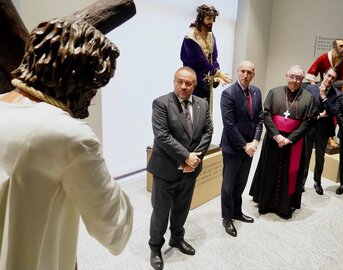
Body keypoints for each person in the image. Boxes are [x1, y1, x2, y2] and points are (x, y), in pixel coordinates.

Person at [0, 17, 133, 270]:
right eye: (94, 86)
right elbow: (115, 230)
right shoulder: (69, 136)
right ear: (79, 78)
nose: (93, 97)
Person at [147, 67, 213, 270]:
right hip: (167, 168)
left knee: (182, 208)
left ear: (195, 85)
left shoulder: (202, 104)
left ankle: (177, 238)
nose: (183, 86)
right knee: (160, 211)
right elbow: (162, 135)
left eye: (188, 83)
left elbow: (208, 132)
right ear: (174, 81)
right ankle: (155, 247)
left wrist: (194, 159)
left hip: (190, 169)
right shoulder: (161, 103)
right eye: (179, 81)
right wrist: (186, 156)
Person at [249, 65, 317, 219]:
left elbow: (308, 122)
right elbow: (266, 115)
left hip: (294, 142)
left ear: (302, 79)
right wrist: (277, 136)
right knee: (270, 170)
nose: (294, 80)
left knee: (289, 173)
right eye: (292, 76)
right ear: (286, 76)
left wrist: (290, 139)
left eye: (298, 77)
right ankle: (265, 203)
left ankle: (285, 206)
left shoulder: (308, 97)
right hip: (273, 140)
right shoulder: (274, 92)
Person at [220, 60, 263, 237]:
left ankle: (237, 211)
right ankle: (227, 217)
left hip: (250, 148)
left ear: (253, 74)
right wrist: (245, 145)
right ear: (238, 72)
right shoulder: (228, 94)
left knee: (241, 184)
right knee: (228, 186)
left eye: (249, 72)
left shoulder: (256, 91)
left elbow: (259, 119)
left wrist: (255, 141)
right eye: (243, 71)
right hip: (233, 148)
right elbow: (229, 125)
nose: (245, 75)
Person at [180, 4, 231, 104]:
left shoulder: (211, 36)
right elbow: (197, 61)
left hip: (207, 82)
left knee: (206, 111)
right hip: (193, 81)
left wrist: (215, 75)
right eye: (209, 19)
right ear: (201, 18)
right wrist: (215, 72)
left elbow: (214, 58)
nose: (211, 22)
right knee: (193, 112)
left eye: (213, 19)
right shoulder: (191, 37)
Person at [302, 67, 342, 195]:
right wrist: (319, 115)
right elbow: (306, 107)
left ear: (335, 80)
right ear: (324, 75)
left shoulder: (337, 94)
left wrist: (324, 97)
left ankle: (317, 182)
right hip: (309, 128)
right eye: (328, 75)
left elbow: (334, 111)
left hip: (324, 130)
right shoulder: (310, 88)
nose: (329, 79)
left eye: (333, 78)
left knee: (320, 158)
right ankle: (301, 182)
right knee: (305, 156)